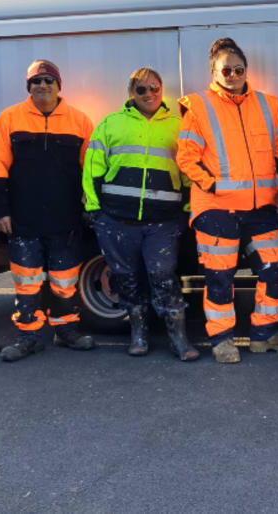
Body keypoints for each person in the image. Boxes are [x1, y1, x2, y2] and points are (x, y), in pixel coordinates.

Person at [176, 38, 278, 363]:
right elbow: (186, 157)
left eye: (238, 69)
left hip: (260, 208)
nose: (232, 75)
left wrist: (275, 181)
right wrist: (213, 186)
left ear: (247, 70)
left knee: (275, 267)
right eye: (225, 70)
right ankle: (222, 340)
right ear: (214, 71)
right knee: (220, 276)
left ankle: (264, 334)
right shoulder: (199, 105)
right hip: (216, 208)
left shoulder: (266, 103)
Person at [83, 68, 198, 361]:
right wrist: (95, 211)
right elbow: (92, 169)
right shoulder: (111, 123)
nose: (149, 94)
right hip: (117, 220)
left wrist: (186, 210)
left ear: (161, 89)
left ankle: (179, 339)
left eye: (154, 88)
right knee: (127, 278)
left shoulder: (178, 125)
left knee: (163, 276)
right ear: (131, 93)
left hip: (163, 222)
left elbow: (188, 171)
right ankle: (138, 335)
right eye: (142, 89)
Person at [0, 59, 96, 362]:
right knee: (27, 281)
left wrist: (90, 207)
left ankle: (66, 331)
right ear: (28, 87)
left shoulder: (79, 121)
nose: (43, 85)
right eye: (37, 81)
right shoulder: (10, 118)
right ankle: (29, 336)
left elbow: (91, 170)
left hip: (65, 217)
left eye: (49, 80)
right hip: (23, 219)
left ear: (59, 86)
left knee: (65, 279)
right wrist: (1, 211)